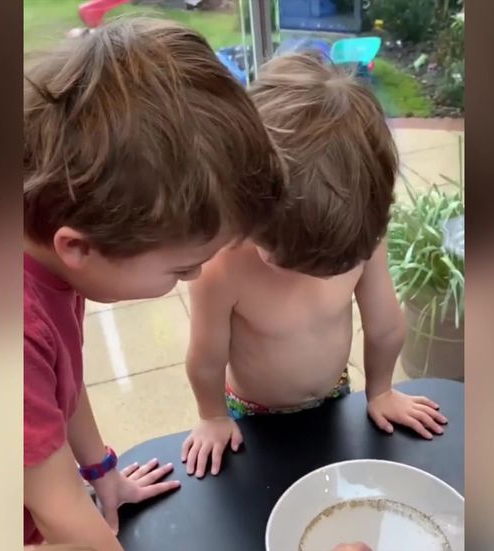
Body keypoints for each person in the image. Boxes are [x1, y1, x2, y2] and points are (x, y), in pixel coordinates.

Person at [22, 19, 284, 548]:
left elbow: (61, 386)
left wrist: (102, 474)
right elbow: (62, 518)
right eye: (183, 268)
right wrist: (78, 508)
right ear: (79, 246)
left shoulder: (51, 250)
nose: (194, 279)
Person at [181, 53, 448, 478]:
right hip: (251, 412)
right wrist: (212, 416)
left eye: (325, 263)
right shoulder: (223, 265)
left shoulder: (361, 237)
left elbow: (385, 326)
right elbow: (206, 358)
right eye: (279, 253)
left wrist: (380, 391)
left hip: (333, 397)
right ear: (249, 201)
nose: (302, 273)